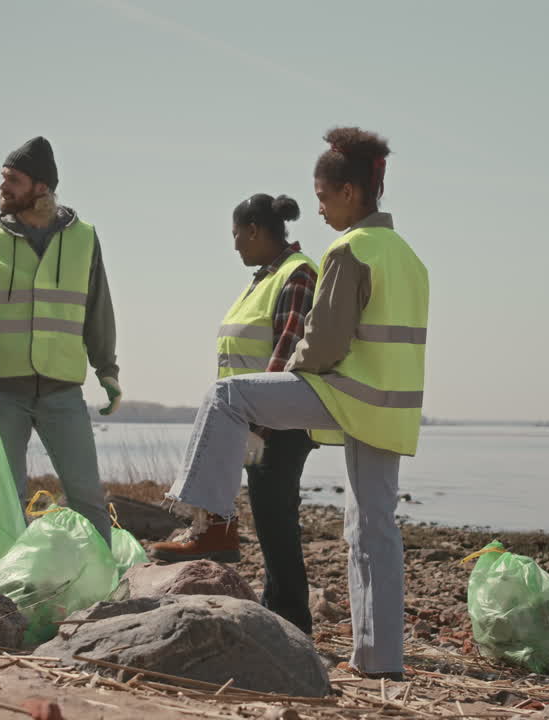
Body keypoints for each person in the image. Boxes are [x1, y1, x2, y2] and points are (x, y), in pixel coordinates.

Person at [150, 127, 429, 679]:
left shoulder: (350, 249)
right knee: (373, 529)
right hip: (393, 410)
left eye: (323, 197)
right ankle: (381, 662)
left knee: (229, 394)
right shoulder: (409, 257)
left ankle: (212, 525)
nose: (318, 209)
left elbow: (323, 343)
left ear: (349, 192)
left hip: (346, 394)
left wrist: (283, 388)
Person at [151, 193, 318, 634]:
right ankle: (280, 613)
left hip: (276, 422)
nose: (235, 245)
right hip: (250, 419)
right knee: (270, 519)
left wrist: (258, 426)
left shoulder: (297, 274)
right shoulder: (263, 278)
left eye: (237, 235)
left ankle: (292, 620)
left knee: (276, 519)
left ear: (254, 231)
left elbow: (287, 352)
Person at [0, 136, 120, 544]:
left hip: (62, 390)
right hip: (2, 392)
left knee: (87, 496)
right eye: (3, 178)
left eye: (13, 179)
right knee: (7, 498)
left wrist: (107, 370)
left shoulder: (84, 238)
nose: (3, 187)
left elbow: (98, 308)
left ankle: (105, 575)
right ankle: (8, 576)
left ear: (41, 187)